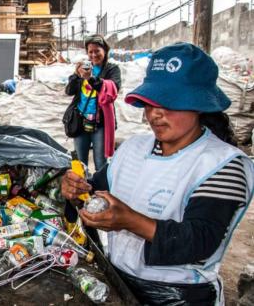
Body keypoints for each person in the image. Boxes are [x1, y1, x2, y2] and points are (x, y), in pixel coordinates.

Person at [62, 42, 254, 305]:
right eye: (151, 103)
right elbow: (95, 187)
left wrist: (130, 221)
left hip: (180, 295)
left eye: (171, 103)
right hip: (118, 281)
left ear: (199, 105)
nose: (156, 113)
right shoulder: (133, 148)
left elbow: (199, 240)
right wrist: (77, 188)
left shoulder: (223, 164)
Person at [65, 34, 121, 171]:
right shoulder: (84, 68)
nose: (93, 55)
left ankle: (99, 191)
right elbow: (69, 91)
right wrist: (76, 75)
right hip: (80, 121)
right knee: (80, 163)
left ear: (105, 51)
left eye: (97, 51)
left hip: (100, 123)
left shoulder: (111, 69)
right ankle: (82, 190)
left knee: (101, 163)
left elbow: (112, 90)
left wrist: (90, 78)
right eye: (90, 52)